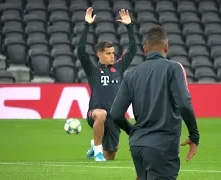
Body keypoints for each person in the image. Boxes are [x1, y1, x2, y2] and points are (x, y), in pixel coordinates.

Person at [110, 25, 200, 180]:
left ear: (145, 48)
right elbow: (184, 103)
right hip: (162, 146)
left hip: (137, 146)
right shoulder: (174, 68)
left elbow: (116, 114)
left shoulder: (131, 74)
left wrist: (132, 131)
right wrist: (194, 134)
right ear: (166, 47)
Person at [77, 7, 137, 162]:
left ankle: (95, 146)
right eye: (108, 53)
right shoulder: (93, 70)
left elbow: (132, 49)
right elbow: (81, 51)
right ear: (99, 54)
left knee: (110, 156)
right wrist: (86, 25)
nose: (112, 56)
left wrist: (129, 26)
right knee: (101, 114)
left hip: (114, 117)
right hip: (95, 114)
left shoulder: (119, 67)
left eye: (113, 53)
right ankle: (97, 150)